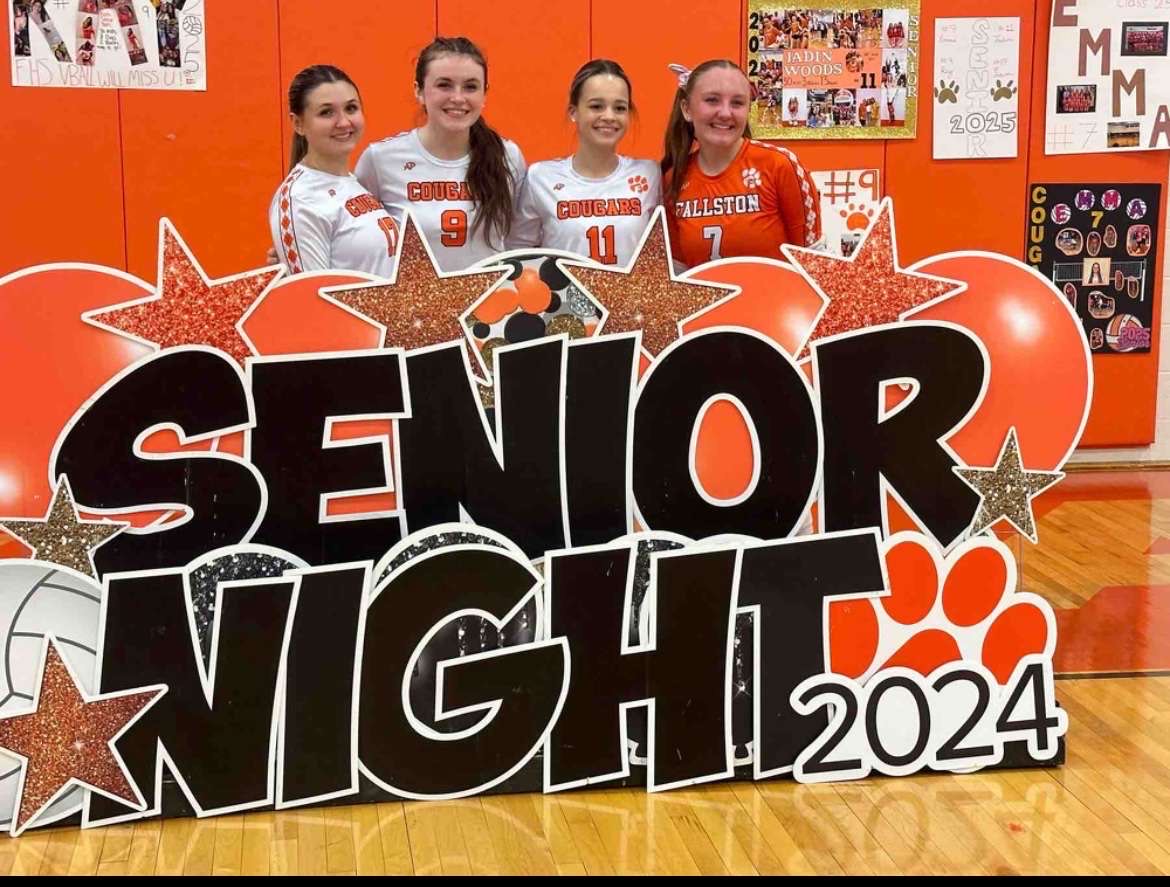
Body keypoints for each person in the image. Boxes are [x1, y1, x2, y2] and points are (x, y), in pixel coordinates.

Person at [355, 36, 525, 272]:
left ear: (484, 94)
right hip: (413, 306)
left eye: (470, 86)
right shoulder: (380, 159)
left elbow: (519, 243)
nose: (458, 98)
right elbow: (359, 244)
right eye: (444, 85)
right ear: (419, 91)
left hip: (492, 304)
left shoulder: (507, 156)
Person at [663, 60, 821, 269]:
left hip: (775, 301)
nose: (726, 113)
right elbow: (680, 271)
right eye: (712, 100)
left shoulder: (780, 165)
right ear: (686, 109)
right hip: (707, 303)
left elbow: (814, 263)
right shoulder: (673, 178)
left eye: (737, 103)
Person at [510, 59, 660, 266]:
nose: (609, 116)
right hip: (565, 298)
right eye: (596, 106)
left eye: (620, 108)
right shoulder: (541, 178)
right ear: (574, 112)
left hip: (630, 298)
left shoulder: (648, 174)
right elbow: (518, 253)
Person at [268, 65, 400, 278]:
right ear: (298, 123)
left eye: (351, 108)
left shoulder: (353, 183)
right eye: (326, 112)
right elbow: (311, 301)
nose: (344, 122)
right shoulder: (301, 199)